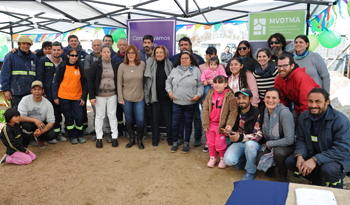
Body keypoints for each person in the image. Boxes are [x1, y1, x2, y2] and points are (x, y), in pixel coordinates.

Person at [285, 88, 350, 189]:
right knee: (290, 162)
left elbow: (342, 149)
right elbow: (301, 139)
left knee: (328, 169)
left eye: (318, 101)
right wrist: (300, 155)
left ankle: (337, 189)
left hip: (335, 158)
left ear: (327, 102)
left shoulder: (340, 120)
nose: (313, 105)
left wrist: (315, 160)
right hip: (312, 154)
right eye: (310, 101)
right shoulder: (304, 116)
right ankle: (318, 180)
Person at [165, 51, 204, 153]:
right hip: (176, 101)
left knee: (188, 123)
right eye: (182, 58)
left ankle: (186, 143)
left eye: (187, 58)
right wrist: (170, 92)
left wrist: (198, 95)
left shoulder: (196, 70)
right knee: (175, 123)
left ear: (191, 60)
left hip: (190, 102)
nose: (184, 60)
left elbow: (200, 85)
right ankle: (175, 142)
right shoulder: (175, 69)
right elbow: (168, 82)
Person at [255, 88, 295, 182]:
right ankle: (272, 168)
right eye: (268, 97)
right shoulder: (264, 110)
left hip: (287, 145)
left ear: (279, 100)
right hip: (270, 142)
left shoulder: (284, 113)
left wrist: (271, 144)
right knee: (259, 158)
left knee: (278, 152)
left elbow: (290, 139)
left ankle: (283, 175)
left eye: (274, 98)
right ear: (264, 98)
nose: (270, 100)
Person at [223, 88, 263, 180]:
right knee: (228, 161)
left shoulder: (258, 113)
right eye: (239, 98)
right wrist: (229, 132)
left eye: (244, 98)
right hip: (240, 141)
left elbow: (259, 135)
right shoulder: (236, 112)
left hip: (253, 142)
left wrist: (240, 137)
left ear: (251, 99)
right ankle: (244, 159)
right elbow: (234, 128)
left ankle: (250, 170)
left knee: (249, 146)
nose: (241, 101)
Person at [52, 48, 88, 144]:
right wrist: (55, 97)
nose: (74, 57)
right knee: (68, 117)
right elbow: (56, 82)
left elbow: (84, 83)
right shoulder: (62, 66)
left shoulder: (81, 66)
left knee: (79, 116)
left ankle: (80, 135)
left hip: (77, 97)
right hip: (64, 96)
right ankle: (72, 136)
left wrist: (83, 97)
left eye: (76, 55)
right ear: (68, 56)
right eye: (72, 55)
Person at [274, 54, 320, 127]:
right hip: (298, 107)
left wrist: (304, 121)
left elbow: (306, 102)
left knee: (306, 127)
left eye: (285, 66)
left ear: (292, 66)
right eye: (279, 66)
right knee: (287, 124)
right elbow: (281, 101)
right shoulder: (278, 79)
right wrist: (283, 115)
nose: (281, 68)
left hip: (315, 107)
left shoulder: (301, 77)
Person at [202, 75, 238, 168]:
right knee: (210, 143)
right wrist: (205, 123)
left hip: (221, 125)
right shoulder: (210, 93)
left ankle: (222, 158)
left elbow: (233, 111)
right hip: (210, 124)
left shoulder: (230, 95)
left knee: (220, 143)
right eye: (215, 82)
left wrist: (229, 124)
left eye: (220, 82)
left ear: (226, 84)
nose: (217, 85)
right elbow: (205, 109)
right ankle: (212, 157)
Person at [88, 45, 119, 148]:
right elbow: (90, 81)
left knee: (112, 116)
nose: (106, 54)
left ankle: (115, 137)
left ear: (110, 53)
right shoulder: (95, 65)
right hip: (100, 95)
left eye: (108, 52)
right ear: (101, 53)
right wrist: (92, 97)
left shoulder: (115, 64)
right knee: (99, 116)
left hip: (112, 95)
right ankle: (99, 138)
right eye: (104, 52)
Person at [36, 41, 67, 143]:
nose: (56, 52)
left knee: (58, 114)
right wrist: (42, 92)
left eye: (58, 50)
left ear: (62, 51)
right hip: (47, 94)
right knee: (47, 115)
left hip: (60, 93)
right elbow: (39, 77)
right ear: (51, 51)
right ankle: (48, 136)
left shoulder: (63, 62)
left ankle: (57, 133)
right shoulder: (43, 60)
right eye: (54, 50)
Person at [118, 45, 146, 149]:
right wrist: (120, 98)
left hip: (139, 98)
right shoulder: (122, 66)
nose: (131, 55)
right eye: (128, 53)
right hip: (126, 98)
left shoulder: (142, 65)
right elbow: (119, 83)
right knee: (129, 119)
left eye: (133, 53)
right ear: (126, 54)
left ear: (136, 54)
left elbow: (146, 81)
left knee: (140, 119)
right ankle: (131, 139)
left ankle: (139, 140)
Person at [144, 45, 173, 146]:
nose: (159, 54)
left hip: (167, 97)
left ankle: (170, 138)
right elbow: (146, 81)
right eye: (157, 52)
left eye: (161, 52)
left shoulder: (169, 64)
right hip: (154, 96)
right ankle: (155, 138)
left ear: (165, 54)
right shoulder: (150, 64)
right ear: (154, 54)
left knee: (169, 119)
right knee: (154, 119)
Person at [61, 35, 89, 134]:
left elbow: (84, 79)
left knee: (80, 114)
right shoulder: (63, 52)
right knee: (68, 115)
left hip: (78, 92)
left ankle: (81, 131)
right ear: (68, 42)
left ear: (78, 42)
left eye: (75, 41)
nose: (74, 57)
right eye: (71, 41)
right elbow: (50, 51)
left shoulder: (84, 54)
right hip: (65, 93)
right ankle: (70, 133)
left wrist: (83, 94)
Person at [1, 36, 38, 109]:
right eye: (23, 43)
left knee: (30, 115)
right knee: (16, 115)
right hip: (16, 93)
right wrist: (6, 90)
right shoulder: (10, 56)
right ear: (19, 44)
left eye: (28, 44)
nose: (26, 46)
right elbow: (5, 74)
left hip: (30, 93)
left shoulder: (34, 57)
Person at [18, 81, 57, 148]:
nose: (37, 91)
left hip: (41, 125)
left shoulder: (47, 103)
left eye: (39, 89)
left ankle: (39, 138)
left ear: (43, 91)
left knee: (51, 135)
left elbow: (51, 122)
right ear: (31, 91)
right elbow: (20, 117)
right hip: (29, 123)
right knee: (27, 126)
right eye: (34, 89)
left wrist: (41, 132)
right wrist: (35, 120)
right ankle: (25, 144)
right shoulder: (25, 99)